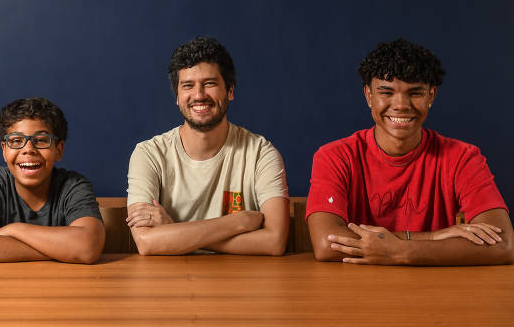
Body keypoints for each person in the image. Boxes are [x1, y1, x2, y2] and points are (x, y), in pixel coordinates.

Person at [307, 38, 514, 265]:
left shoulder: (463, 157)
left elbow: (503, 244)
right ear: (369, 96)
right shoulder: (335, 156)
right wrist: (432, 237)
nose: (401, 105)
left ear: (431, 96)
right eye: (386, 92)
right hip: (356, 289)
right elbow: (326, 244)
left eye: (415, 93)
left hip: (436, 290)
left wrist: (399, 251)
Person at [126, 36, 289, 255]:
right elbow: (146, 242)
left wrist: (173, 231)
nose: (199, 95)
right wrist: (238, 222)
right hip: (169, 282)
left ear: (230, 91)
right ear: (177, 96)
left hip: (242, 282)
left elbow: (275, 242)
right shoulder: (149, 154)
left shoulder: (261, 153)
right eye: (188, 86)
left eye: (209, 83)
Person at [0, 97, 105, 263]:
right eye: (16, 141)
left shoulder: (73, 186)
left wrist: (15, 229)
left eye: (41, 140)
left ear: (59, 149)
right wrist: (61, 251)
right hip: (2, 286)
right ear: (4, 150)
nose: (28, 149)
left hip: (63, 285)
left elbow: (87, 247)